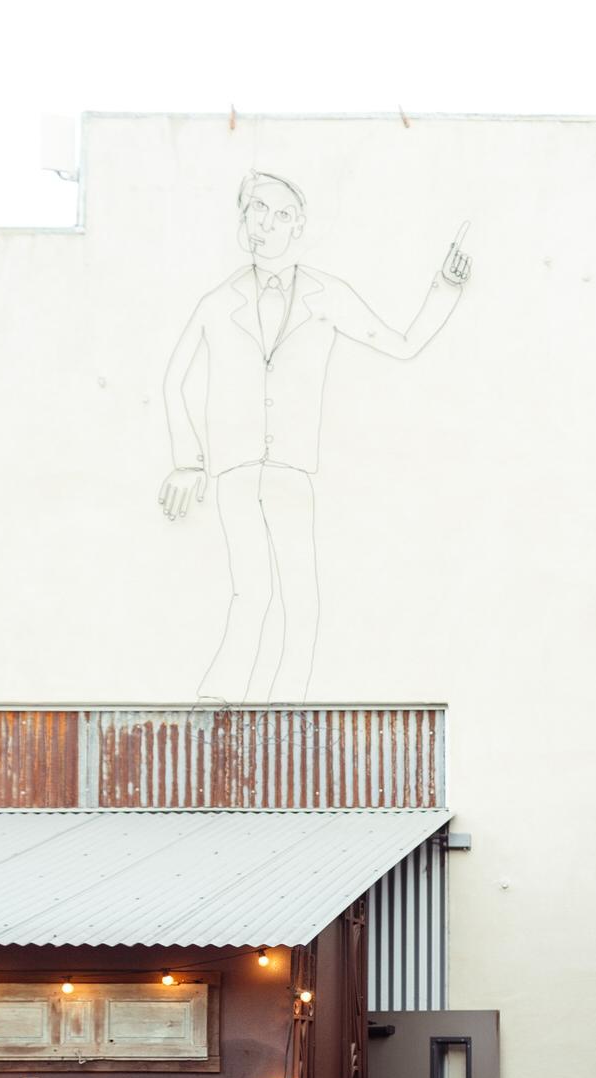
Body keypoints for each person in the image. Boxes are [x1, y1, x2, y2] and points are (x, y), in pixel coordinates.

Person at [158, 171, 471, 701]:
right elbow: (175, 380)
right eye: (256, 210)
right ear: (242, 218)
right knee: (250, 591)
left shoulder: (328, 294)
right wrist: (188, 461)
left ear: (298, 226)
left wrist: (446, 286)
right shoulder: (217, 301)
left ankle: (289, 709)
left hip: (291, 467)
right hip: (234, 469)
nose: (265, 224)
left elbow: (402, 343)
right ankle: (219, 699)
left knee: (300, 598)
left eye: (280, 214)